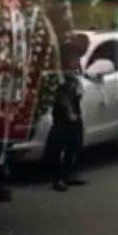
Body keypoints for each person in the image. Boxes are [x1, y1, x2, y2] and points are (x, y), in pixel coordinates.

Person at [46, 38, 88, 192]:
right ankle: (57, 179)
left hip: (75, 111)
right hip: (63, 114)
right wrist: (69, 112)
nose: (76, 60)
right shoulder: (61, 73)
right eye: (74, 57)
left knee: (75, 143)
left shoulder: (73, 72)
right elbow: (62, 96)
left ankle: (69, 174)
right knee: (57, 146)